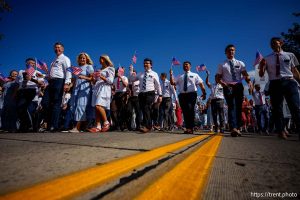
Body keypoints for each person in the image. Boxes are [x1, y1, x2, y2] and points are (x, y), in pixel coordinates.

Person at [259, 37, 300, 139]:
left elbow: (294, 71)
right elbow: (261, 75)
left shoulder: (290, 55)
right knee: (277, 109)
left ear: (281, 43)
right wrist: (262, 66)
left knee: (295, 106)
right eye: (271, 43)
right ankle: (281, 131)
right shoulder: (267, 58)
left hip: (290, 82)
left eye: (275, 43)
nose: (273, 45)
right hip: (275, 83)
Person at [216, 44, 253, 137]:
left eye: (232, 50)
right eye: (229, 50)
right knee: (231, 106)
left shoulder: (240, 63)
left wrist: (249, 82)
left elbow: (245, 74)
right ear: (226, 52)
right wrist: (222, 83)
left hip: (239, 86)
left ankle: (238, 127)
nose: (231, 52)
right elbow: (217, 77)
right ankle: (233, 128)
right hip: (228, 86)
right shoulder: (222, 64)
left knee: (238, 107)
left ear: (235, 51)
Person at [170, 61, 206, 134]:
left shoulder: (195, 75)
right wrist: (171, 75)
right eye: (184, 65)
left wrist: (204, 93)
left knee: (190, 109)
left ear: (190, 66)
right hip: (182, 95)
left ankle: (190, 127)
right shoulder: (180, 76)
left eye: (187, 64)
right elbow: (173, 83)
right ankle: (187, 127)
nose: (185, 66)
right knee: (185, 111)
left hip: (192, 94)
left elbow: (201, 83)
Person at [130, 58, 162, 133]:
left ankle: (147, 126)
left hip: (150, 92)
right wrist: (131, 70)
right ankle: (149, 125)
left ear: (151, 65)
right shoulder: (140, 74)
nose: (145, 64)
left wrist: (160, 95)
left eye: (147, 63)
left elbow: (158, 85)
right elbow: (131, 79)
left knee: (146, 107)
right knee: (144, 110)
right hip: (141, 94)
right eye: (144, 63)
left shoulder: (154, 73)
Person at [45, 42, 72, 132]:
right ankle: (49, 124)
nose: (57, 49)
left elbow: (68, 70)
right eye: (56, 48)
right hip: (51, 82)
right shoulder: (53, 61)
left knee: (56, 103)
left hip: (59, 81)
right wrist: (46, 77)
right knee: (46, 103)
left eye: (59, 47)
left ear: (63, 49)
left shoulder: (65, 58)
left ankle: (54, 126)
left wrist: (67, 83)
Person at [89, 54, 115, 133]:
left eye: (102, 58)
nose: (100, 60)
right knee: (96, 108)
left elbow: (110, 81)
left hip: (104, 88)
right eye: (100, 58)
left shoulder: (110, 69)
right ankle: (98, 126)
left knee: (98, 105)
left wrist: (101, 76)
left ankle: (106, 122)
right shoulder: (99, 69)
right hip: (97, 88)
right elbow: (94, 82)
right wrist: (93, 78)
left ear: (106, 59)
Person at [69, 52, 94, 132]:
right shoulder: (76, 68)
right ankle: (83, 126)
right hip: (76, 89)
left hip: (84, 88)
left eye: (84, 58)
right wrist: (69, 86)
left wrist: (83, 77)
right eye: (81, 58)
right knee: (73, 106)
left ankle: (77, 128)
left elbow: (92, 78)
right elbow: (73, 80)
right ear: (78, 59)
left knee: (81, 106)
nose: (82, 59)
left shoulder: (89, 67)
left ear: (87, 59)